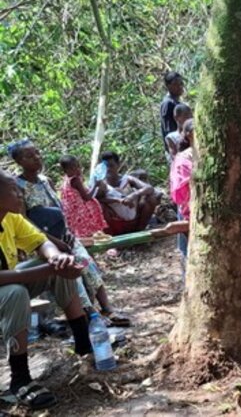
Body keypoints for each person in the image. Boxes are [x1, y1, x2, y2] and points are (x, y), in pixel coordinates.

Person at [10, 141, 129, 326]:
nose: (37, 158)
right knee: (71, 276)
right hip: (44, 243)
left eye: (37, 153)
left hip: (65, 236)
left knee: (88, 267)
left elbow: (58, 209)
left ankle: (108, 309)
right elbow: (26, 222)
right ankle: (91, 315)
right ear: (19, 161)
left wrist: (66, 232)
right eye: (29, 156)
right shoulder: (17, 187)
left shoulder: (45, 180)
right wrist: (53, 241)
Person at [0, 169, 90, 410]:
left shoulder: (10, 217)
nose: (20, 194)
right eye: (13, 190)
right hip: (5, 291)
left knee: (53, 266)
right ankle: (20, 379)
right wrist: (50, 270)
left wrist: (56, 259)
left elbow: (41, 242)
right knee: (15, 292)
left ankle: (84, 345)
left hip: (8, 285)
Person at [96, 151, 159, 235]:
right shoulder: (101, 183)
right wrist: (118, 200)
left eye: (111, 166)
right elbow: (97, 200)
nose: (108, 169)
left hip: (135, 219)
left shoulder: (127, 179)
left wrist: (133, 195)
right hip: (115, 222)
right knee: (99, 206)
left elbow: (149, 188)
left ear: (118, 165)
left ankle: (140, 231)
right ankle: (112, 237)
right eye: (106, 166)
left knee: (151, 198)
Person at [58, 155, 108, 238]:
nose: (76, 169)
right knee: (88, 230)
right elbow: (86, 197)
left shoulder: (66, 179)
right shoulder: (75, 180)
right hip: (80, 211)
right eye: (72, 168)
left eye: (77, 166)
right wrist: (95, 185)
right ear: (65, 170)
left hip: (72, 212)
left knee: (79, 232)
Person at [169, 119, 195, 280]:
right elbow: (179, 188)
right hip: (190, 209)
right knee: (191, 251)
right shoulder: (183, 158)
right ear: (190, 135)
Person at [160, 71, 185, 157]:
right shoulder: (168, 103)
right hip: (175, 149)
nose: (179, 86)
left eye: (181, 83)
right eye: (175, 84)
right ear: (168, 86)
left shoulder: (177, 102)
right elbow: (168, 129)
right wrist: (174, 150)